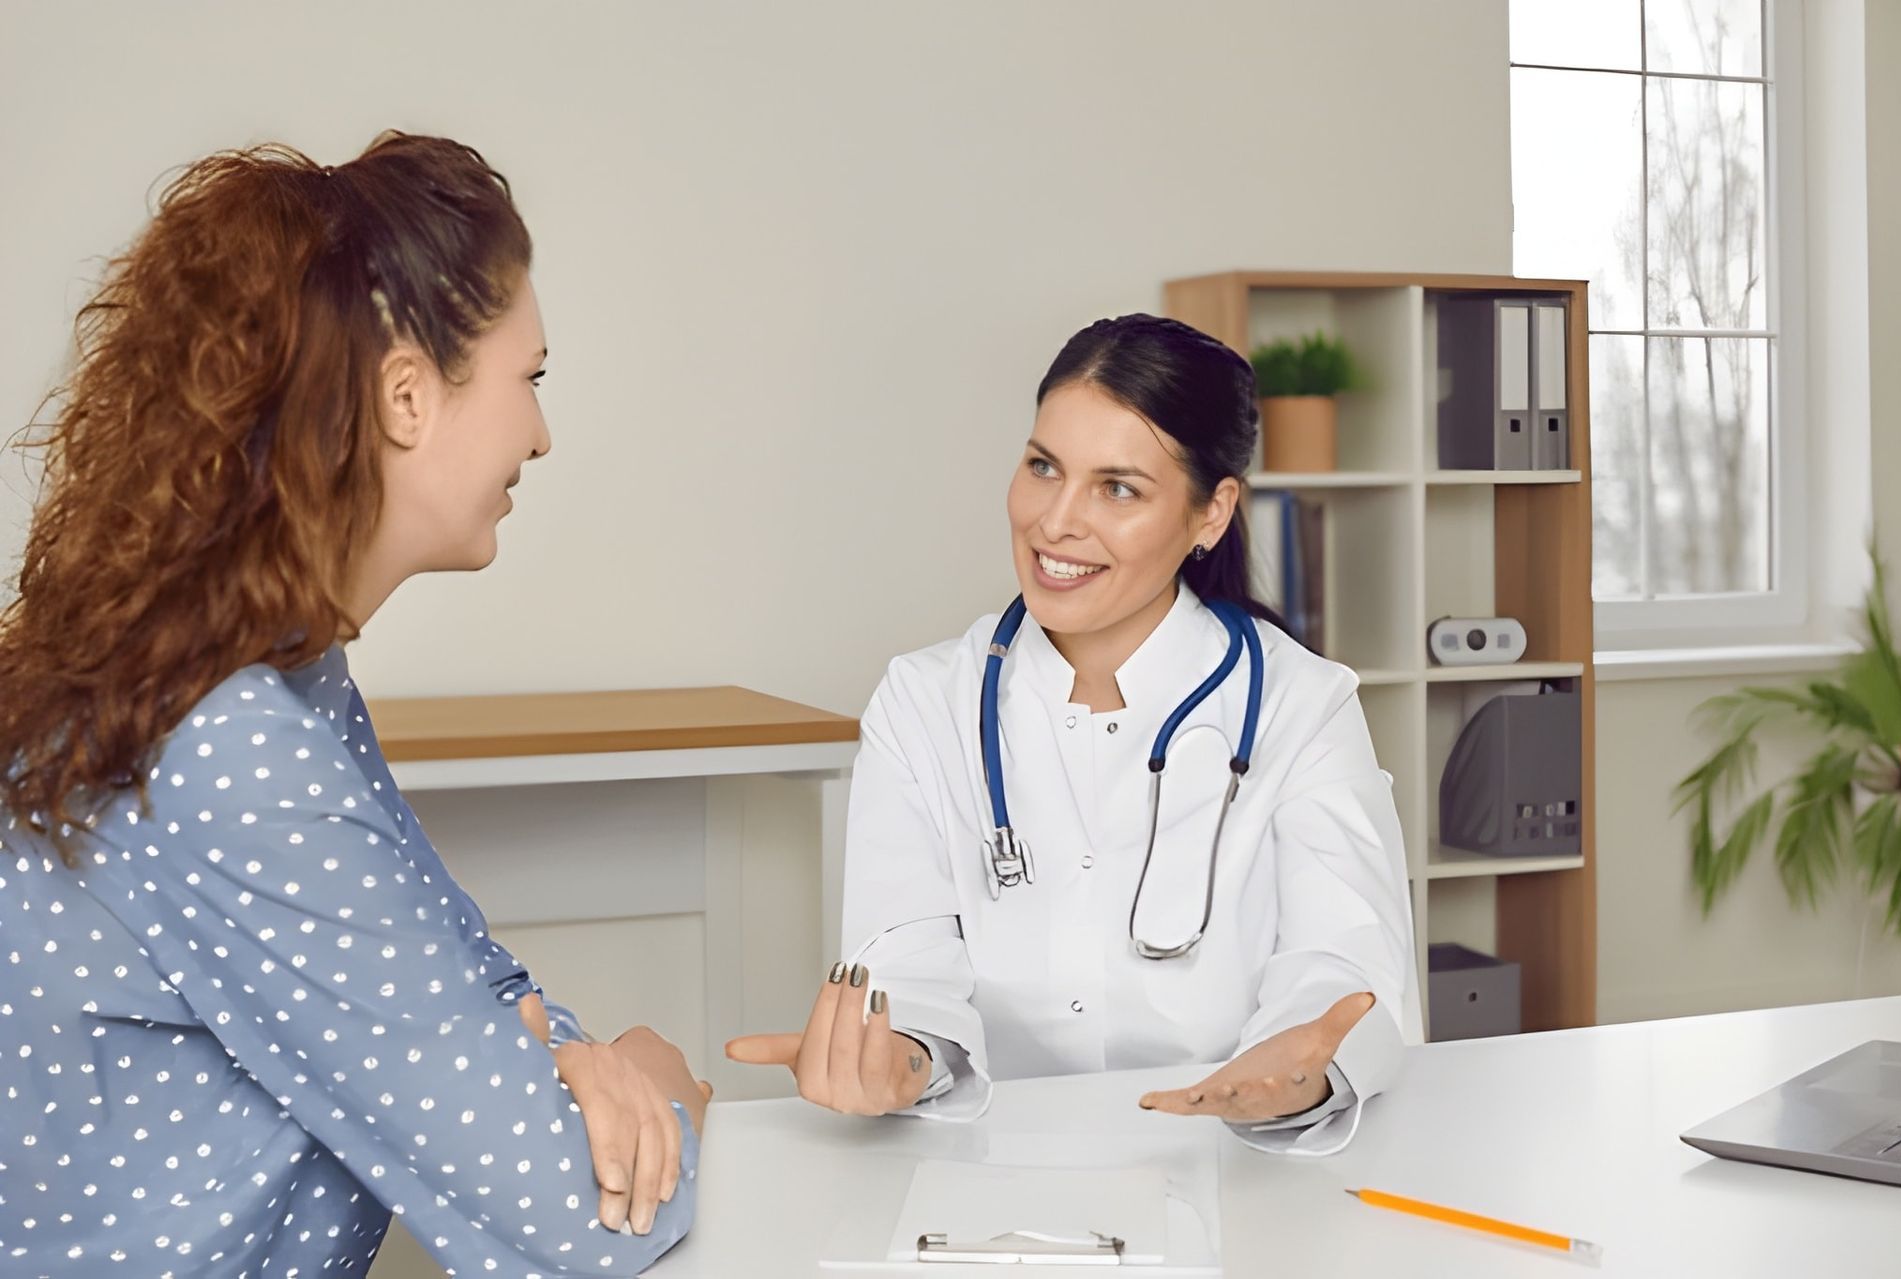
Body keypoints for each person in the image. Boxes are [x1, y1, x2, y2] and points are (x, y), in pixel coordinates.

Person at [0, 133, 706, 1276]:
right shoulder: (224, 746)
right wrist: (656, 1079)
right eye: (529, 379)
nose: (540, 433)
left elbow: (479, 985)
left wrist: (553, 1059)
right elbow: (576, 1218)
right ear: (406, 397)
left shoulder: (272, 677)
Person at [728, 314, 1418, 1153]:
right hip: (988, 1173)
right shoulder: (925, 701)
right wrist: (903, 1054)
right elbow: (905, 963)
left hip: (1225, 1170)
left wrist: (1296, 1065)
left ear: (1212, 513)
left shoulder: (1300, 706)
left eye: (1118, 488)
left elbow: (1344, 961)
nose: (1056, 521)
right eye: (1043, 467)